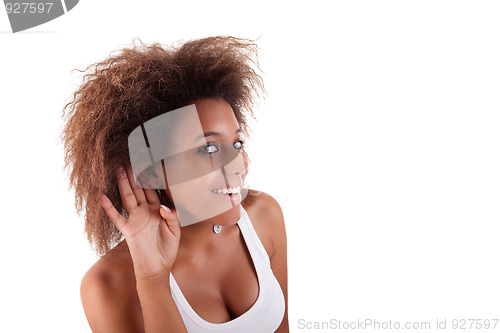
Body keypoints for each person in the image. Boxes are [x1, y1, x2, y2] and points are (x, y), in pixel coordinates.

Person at [61, 36, 289, 332]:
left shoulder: (264, 216)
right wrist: (153, 278)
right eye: (208, 149)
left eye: (236, 143)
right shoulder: (109, 283)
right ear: (152, 170)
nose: (238, 167)